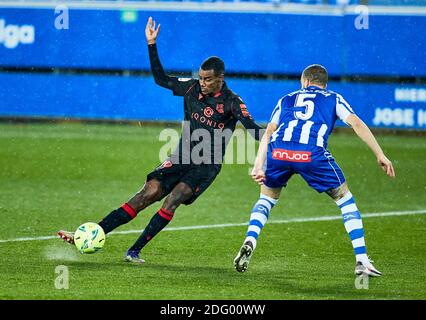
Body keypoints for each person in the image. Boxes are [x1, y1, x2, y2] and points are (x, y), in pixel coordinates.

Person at [58, 17, 263, 263]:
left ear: (220, 78)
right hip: (182, 156)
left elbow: (254, 130)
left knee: (172, 200)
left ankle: (134, 251)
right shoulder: (191, 88)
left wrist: (276, 140)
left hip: (207, 165)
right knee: (146, 194)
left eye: (208, 79)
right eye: (200, 77)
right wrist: (151, 45)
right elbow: (161, 79)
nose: (203, 82)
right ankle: (93, 233)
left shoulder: (232, 102)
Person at [233, 64, 395, 277]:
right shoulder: (333, 98)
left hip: (278, 152)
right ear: (323, 83)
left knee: (266, 199)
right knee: (345, 200)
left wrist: (258, 164)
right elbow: (356, 123)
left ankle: (250, 240)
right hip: (310, 154)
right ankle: (362, 261)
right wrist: (379, 154)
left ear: (305, 81)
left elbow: (269, 132)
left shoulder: (287, 98)